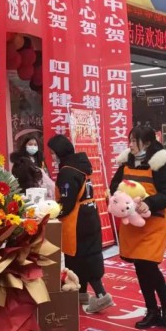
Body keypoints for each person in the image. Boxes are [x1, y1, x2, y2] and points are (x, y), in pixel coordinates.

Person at [109, 126, 166, 329]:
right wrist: (121, 198)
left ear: (146, 143)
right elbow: (114, 186)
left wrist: (150, 203)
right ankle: (151, 310)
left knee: (149, 265)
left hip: (153, 224)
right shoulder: (126, 163)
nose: (129, 144)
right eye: (129, 140)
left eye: (133, 140)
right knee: (140, 267)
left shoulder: (158, 164)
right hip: (132, 223)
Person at [48, 134, 112, 314]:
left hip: (77, 223)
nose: (52, 156)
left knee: (82, 259)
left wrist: (51, 212)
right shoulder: (80, 166)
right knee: (82, 258)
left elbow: (66, 205)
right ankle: (81, 294)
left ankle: (101, 296)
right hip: (90, 216)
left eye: (53, 153)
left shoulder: (67, 172)